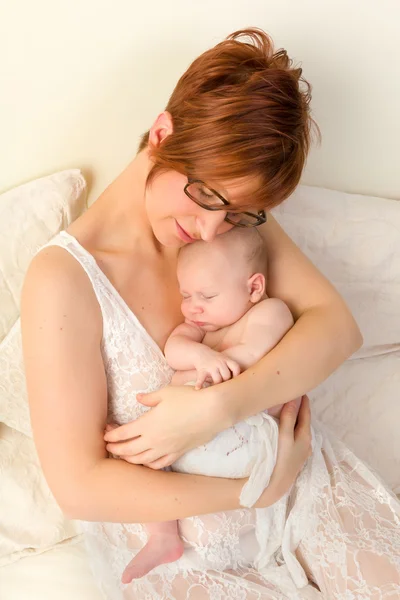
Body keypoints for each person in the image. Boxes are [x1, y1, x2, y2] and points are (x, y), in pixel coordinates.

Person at [20, 28, 400, 600]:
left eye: (238, 215)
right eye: (208, 201)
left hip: (305, 483)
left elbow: (336, 328)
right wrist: (259, 489)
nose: (208, 231)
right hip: (188, 550)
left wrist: (221, 405)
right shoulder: (64, 279)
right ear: (162, 133)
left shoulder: (234, 222)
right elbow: (79, 486)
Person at [121, 227, 299, 583]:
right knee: (140, 461)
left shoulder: (269, 312)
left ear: (253, 288)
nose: (192, 306)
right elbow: (174, 351)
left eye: (207, 295)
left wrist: (208, 369)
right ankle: (163, 537)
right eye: (186, 294)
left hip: (244, 433)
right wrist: (199, 355)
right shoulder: (198, 329)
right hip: (196, 437)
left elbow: (252, 357)